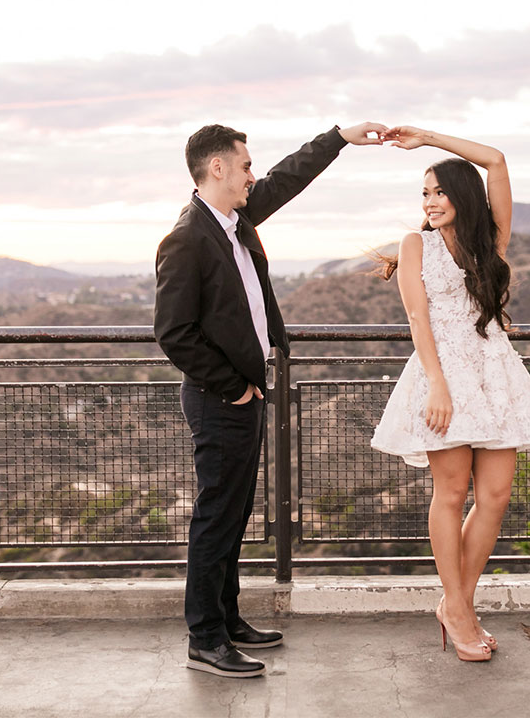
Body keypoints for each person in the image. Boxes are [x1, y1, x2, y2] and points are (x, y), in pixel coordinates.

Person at [153, 122, 387, 678]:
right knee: (217, 518)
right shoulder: (187, 237)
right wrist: (234, 387)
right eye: (245, 166)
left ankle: (227, 619)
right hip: (221, 399)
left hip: (244, 395)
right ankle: (204, 638)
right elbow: (173, 332)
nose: (253, 176)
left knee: (233, 516)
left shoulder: (234, 222)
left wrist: (340, 138)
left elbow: (288, 178)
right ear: (217, 169)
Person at [367, 127, 530, 662]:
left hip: (494, 372)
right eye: (424, 194)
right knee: (451, 493)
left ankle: (458, 603)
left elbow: (496, 160)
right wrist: (437, 384)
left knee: (495, 496)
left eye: (439, 191)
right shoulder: (416, 245)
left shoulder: (489, 241)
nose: (430, 202)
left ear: (462, 196)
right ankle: (457, 609)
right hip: (443, 376)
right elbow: (416, 315)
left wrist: (427, 137)